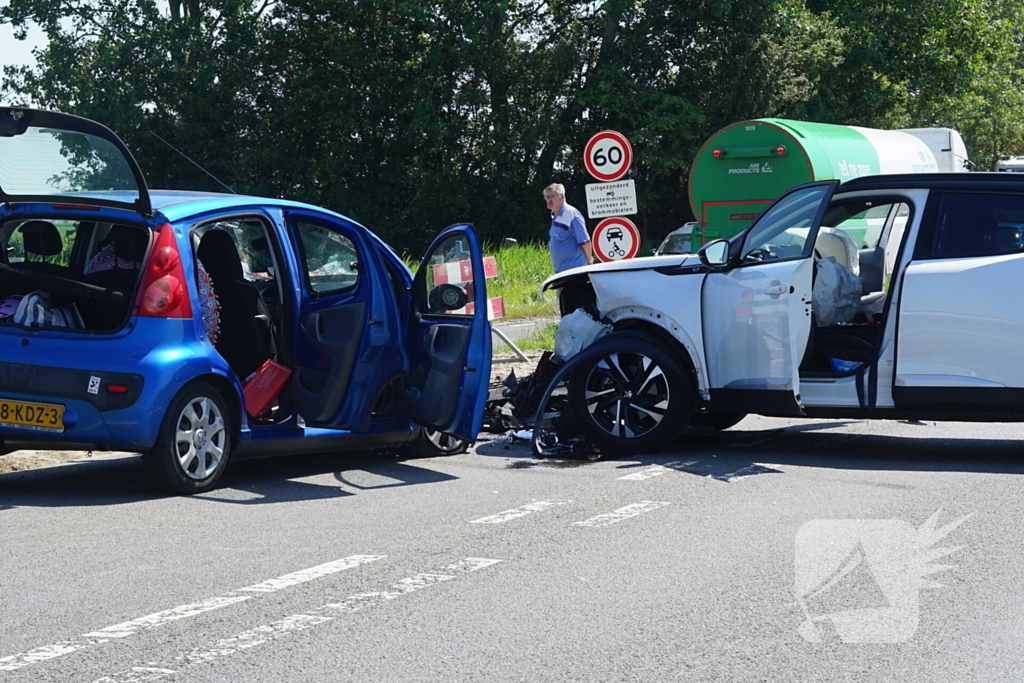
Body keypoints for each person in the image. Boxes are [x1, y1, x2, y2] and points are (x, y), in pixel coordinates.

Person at [544, 183, 593, 272]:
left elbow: (585, 241)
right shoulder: (555, 215)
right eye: (547, 197)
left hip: (575, 271)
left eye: (552, 197)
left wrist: (589, 261)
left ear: (562, 196)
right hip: (562, 272)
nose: (549, 200)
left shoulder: (571, 214)